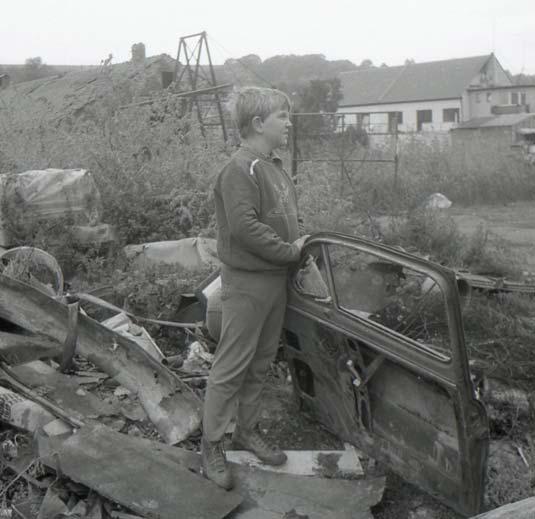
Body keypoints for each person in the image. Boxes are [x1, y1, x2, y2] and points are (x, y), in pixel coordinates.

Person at [201, 86, 308, 489]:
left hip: (275, 282)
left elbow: (285, 218)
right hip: (246, 284)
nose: (289, 123)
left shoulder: (274, 167)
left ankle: (246, 430)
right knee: (231, 364)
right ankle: (211, 443)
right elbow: (244, 228)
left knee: (261, 362)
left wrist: (299, 247)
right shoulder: (238, 169)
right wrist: (289, 251)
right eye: (282, 116)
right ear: (258, 123)